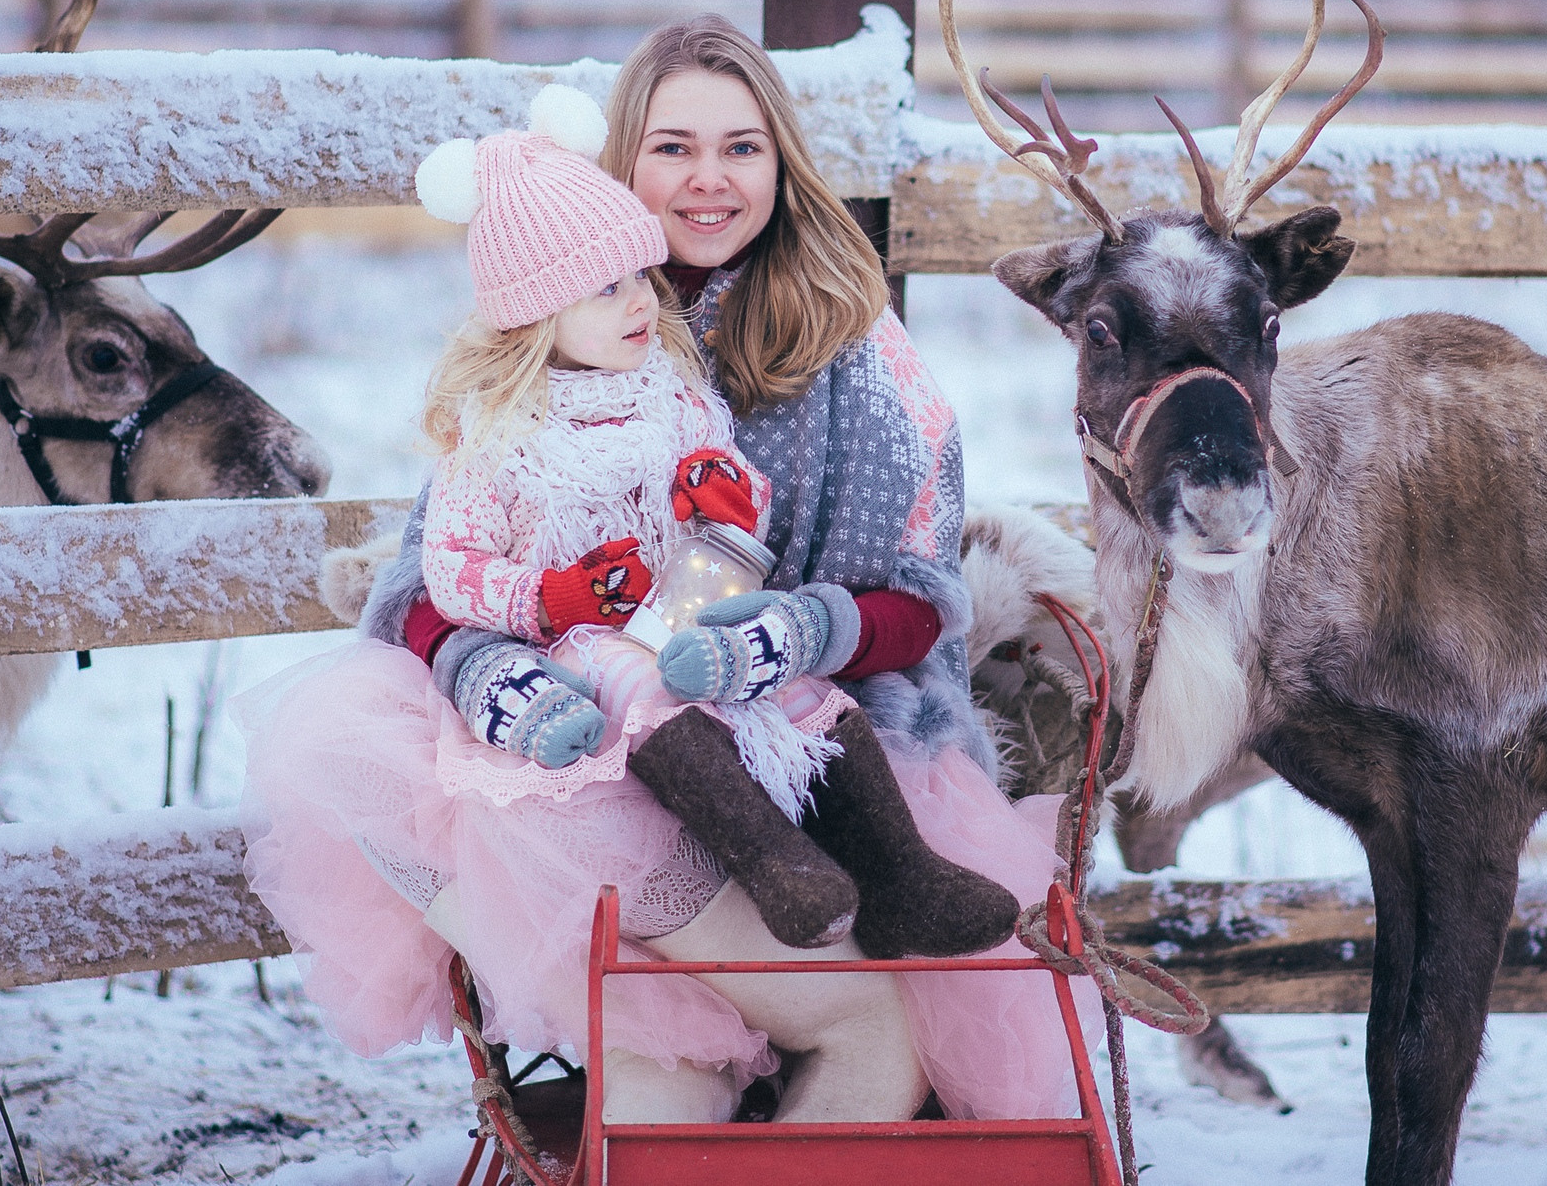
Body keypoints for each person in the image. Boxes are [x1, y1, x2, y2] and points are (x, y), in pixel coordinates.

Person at [238, 65, 1079, 1126]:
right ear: (623, 158)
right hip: (572, 751)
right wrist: (496, 661)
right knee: (685, 1041)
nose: (707, 179)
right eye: (673, 147)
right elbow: (429, 583)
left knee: (840, 1027)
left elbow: (918, 601)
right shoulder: (532, 338)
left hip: (790, 740)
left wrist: (798, 625)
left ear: (783, 165)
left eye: (742, 147)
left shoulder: (854, 357)